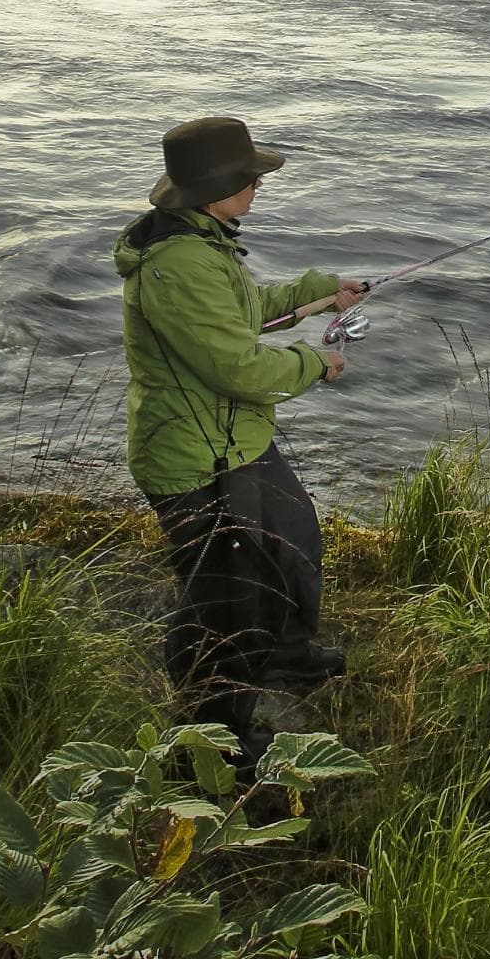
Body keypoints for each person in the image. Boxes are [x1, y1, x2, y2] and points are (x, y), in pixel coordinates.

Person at [116, 115, 366, 746]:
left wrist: (319, 292)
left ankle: (285, 658)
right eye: (249, 176)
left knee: (295, 539)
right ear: (216, 185)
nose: (258, 184)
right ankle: (213, 739)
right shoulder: (178, 264)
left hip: (237, 440)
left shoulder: (204, 239)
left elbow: (245, 314)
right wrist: (318, 362)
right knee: (227, 603)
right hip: (195, 459)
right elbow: (237, 365)